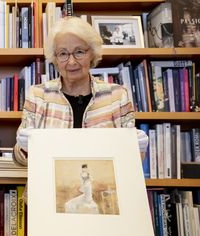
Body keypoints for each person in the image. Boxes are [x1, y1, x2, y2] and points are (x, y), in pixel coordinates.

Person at [13, 17, 148, 200]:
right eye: (63, 53)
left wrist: (138, 149)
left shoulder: (117, 96)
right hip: (49, 200)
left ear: (92, 53)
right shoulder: (38, 95)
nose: (71, 62)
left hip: (104, 201)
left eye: (79, 52)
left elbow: (132, 163)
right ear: (54, 58)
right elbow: (21, 160)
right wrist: (23, 148)